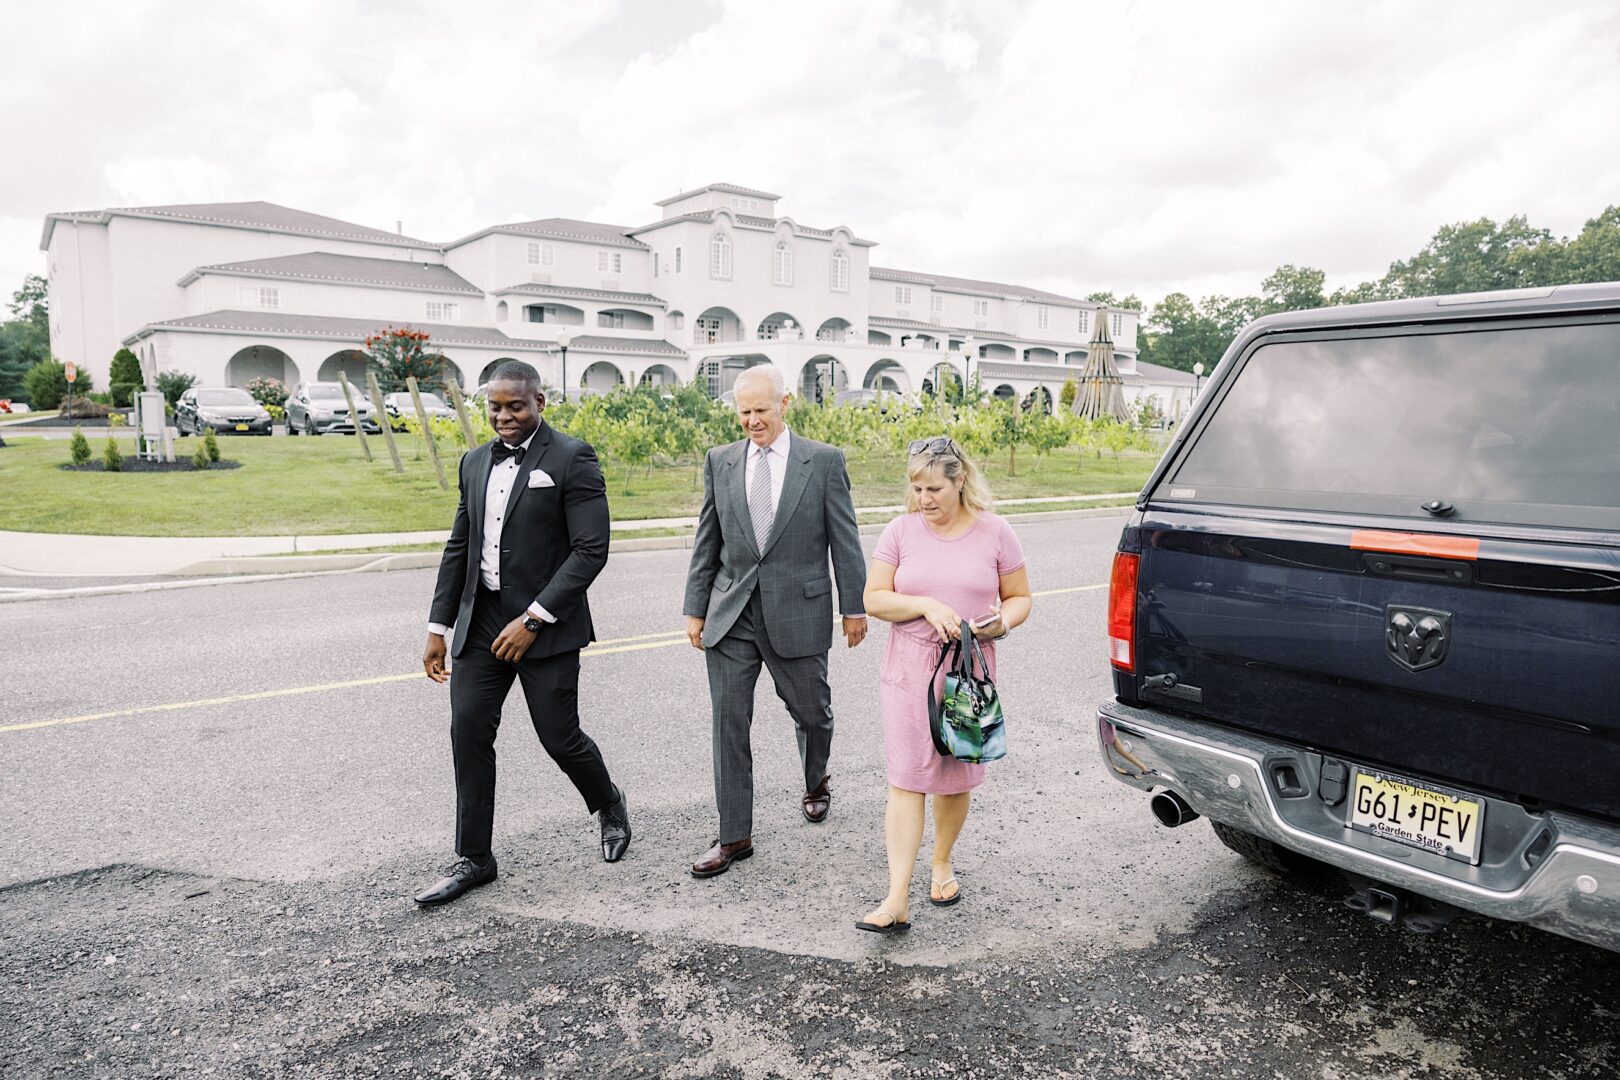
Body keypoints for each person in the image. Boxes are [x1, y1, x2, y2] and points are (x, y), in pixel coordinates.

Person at [414, 360, 630, 906]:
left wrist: (534, 618)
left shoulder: (571, 457)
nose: (504, 416)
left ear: (540, 403)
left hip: (544, 628)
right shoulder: (473, 462)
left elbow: (590, 550)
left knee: (559, 737)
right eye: (495, 407)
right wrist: (439, 626)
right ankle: (475, 859)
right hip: (481, 620)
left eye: (516, 406)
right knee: (467, 732)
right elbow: (459, 546)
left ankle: (608, 802)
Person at [683, 364, 868, 878]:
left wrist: (853, 607)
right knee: (728, 725)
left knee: (813, 713)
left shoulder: (823, 462)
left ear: (785, 404)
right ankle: (734, 835)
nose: (752, 420)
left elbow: (845, 540)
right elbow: (708, 541)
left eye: (761, 409)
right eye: (744, 412)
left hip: (799, 611)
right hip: (731, 612)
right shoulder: (719, 461)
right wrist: (695, 608)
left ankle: (816, 780)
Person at [855, 437, 1032, 933]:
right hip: (909, 668)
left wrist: (1002, 622)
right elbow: (874, 598)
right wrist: (926, 605)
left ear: (960, 481)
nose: (924, 498)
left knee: (954, 776)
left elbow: (1019, 597)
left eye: (934, 487)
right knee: (907, 777)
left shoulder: (996, 532)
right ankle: (896, 898)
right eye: (916, 487)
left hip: (968, 670)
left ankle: (942, 862)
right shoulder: (900, 531)